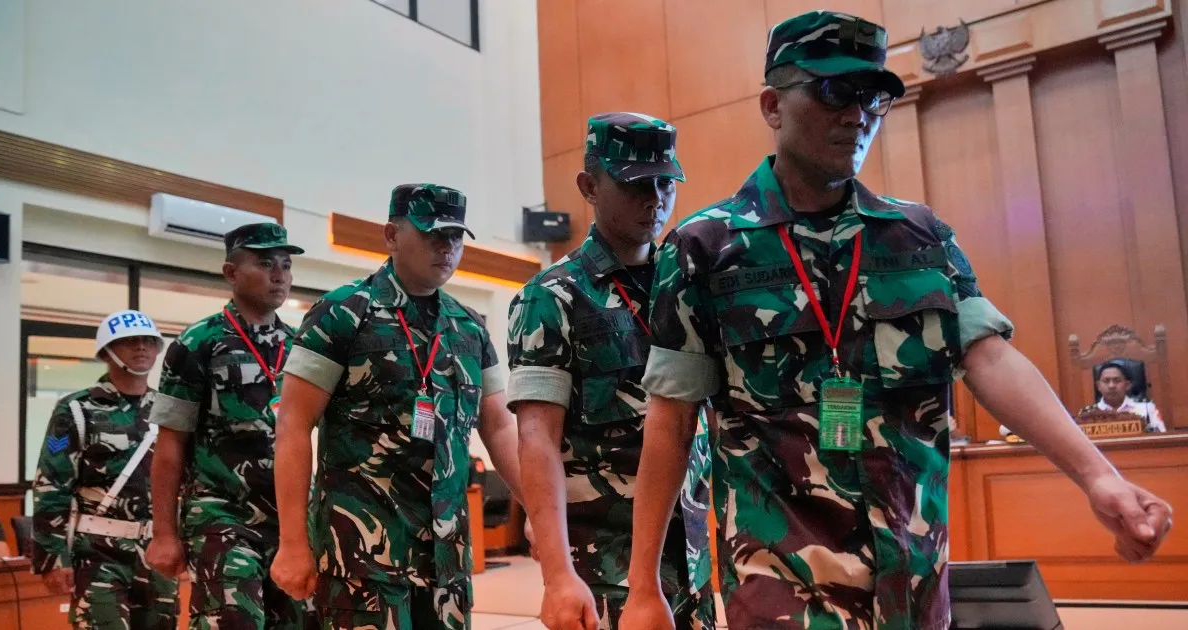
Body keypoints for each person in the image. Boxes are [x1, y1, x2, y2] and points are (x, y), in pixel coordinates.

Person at [619, 11, 1174, 630]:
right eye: (834, 91)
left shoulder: (919, 237)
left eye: (872, 98)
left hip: (913, 580)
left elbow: (989, 358)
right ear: (773, 106)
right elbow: (671, 420)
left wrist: (1099, 478)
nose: (857, 115)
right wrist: (644, 586)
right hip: (782, 583)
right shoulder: (705, 249)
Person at [269, 184, 526, 630]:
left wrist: (539, 512)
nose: (446, 248)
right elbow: (293, 425)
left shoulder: (468, 328)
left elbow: (500, 428)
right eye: (432, 234)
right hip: (362, 557)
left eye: (455, 237)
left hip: (447, 559)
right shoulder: (343, 313)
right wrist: (293, 543)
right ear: (391, 235)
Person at [507, 113, 713, 630]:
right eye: (635, 184)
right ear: (589, 186)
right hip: (602, 568)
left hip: (690, 560)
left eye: (665, 183)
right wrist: (558, 574)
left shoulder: (686, 284)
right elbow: (536, 438)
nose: (655, 199)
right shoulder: (552, 296)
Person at [146, 222, 312, 629]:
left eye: (286, 265)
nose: (279, 275)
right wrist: (164, 534)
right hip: (221, 515)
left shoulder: (302, 346)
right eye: (265, 264)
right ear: (231, 272)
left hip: (291, 521)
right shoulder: (197, 343)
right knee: (233, 620)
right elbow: (169, 445)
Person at [32, 309, 180, 629]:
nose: (141, 347)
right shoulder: (76, 409)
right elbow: (51, 484)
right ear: (106, 352)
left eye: (148, 341)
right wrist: (53, 557)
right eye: (129, 341)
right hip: (98, 553)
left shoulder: (169, 410)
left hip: (158, 552)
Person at [1079, 361, 1167, 433]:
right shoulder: (1088, 414)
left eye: (1117, 380)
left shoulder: (1147, 409)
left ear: (1127, 385)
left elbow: (1161, 438)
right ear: (1098, 386)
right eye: (1106, 381)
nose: (1111, 386)